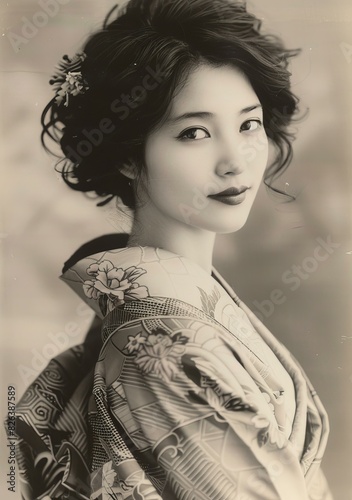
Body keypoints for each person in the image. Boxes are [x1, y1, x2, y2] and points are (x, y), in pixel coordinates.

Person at [13, 0, 333, 498]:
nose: (235, 161)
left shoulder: (174, 305)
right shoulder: (159, 342)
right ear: (126, 156)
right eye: (194, 133)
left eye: (248, 124)